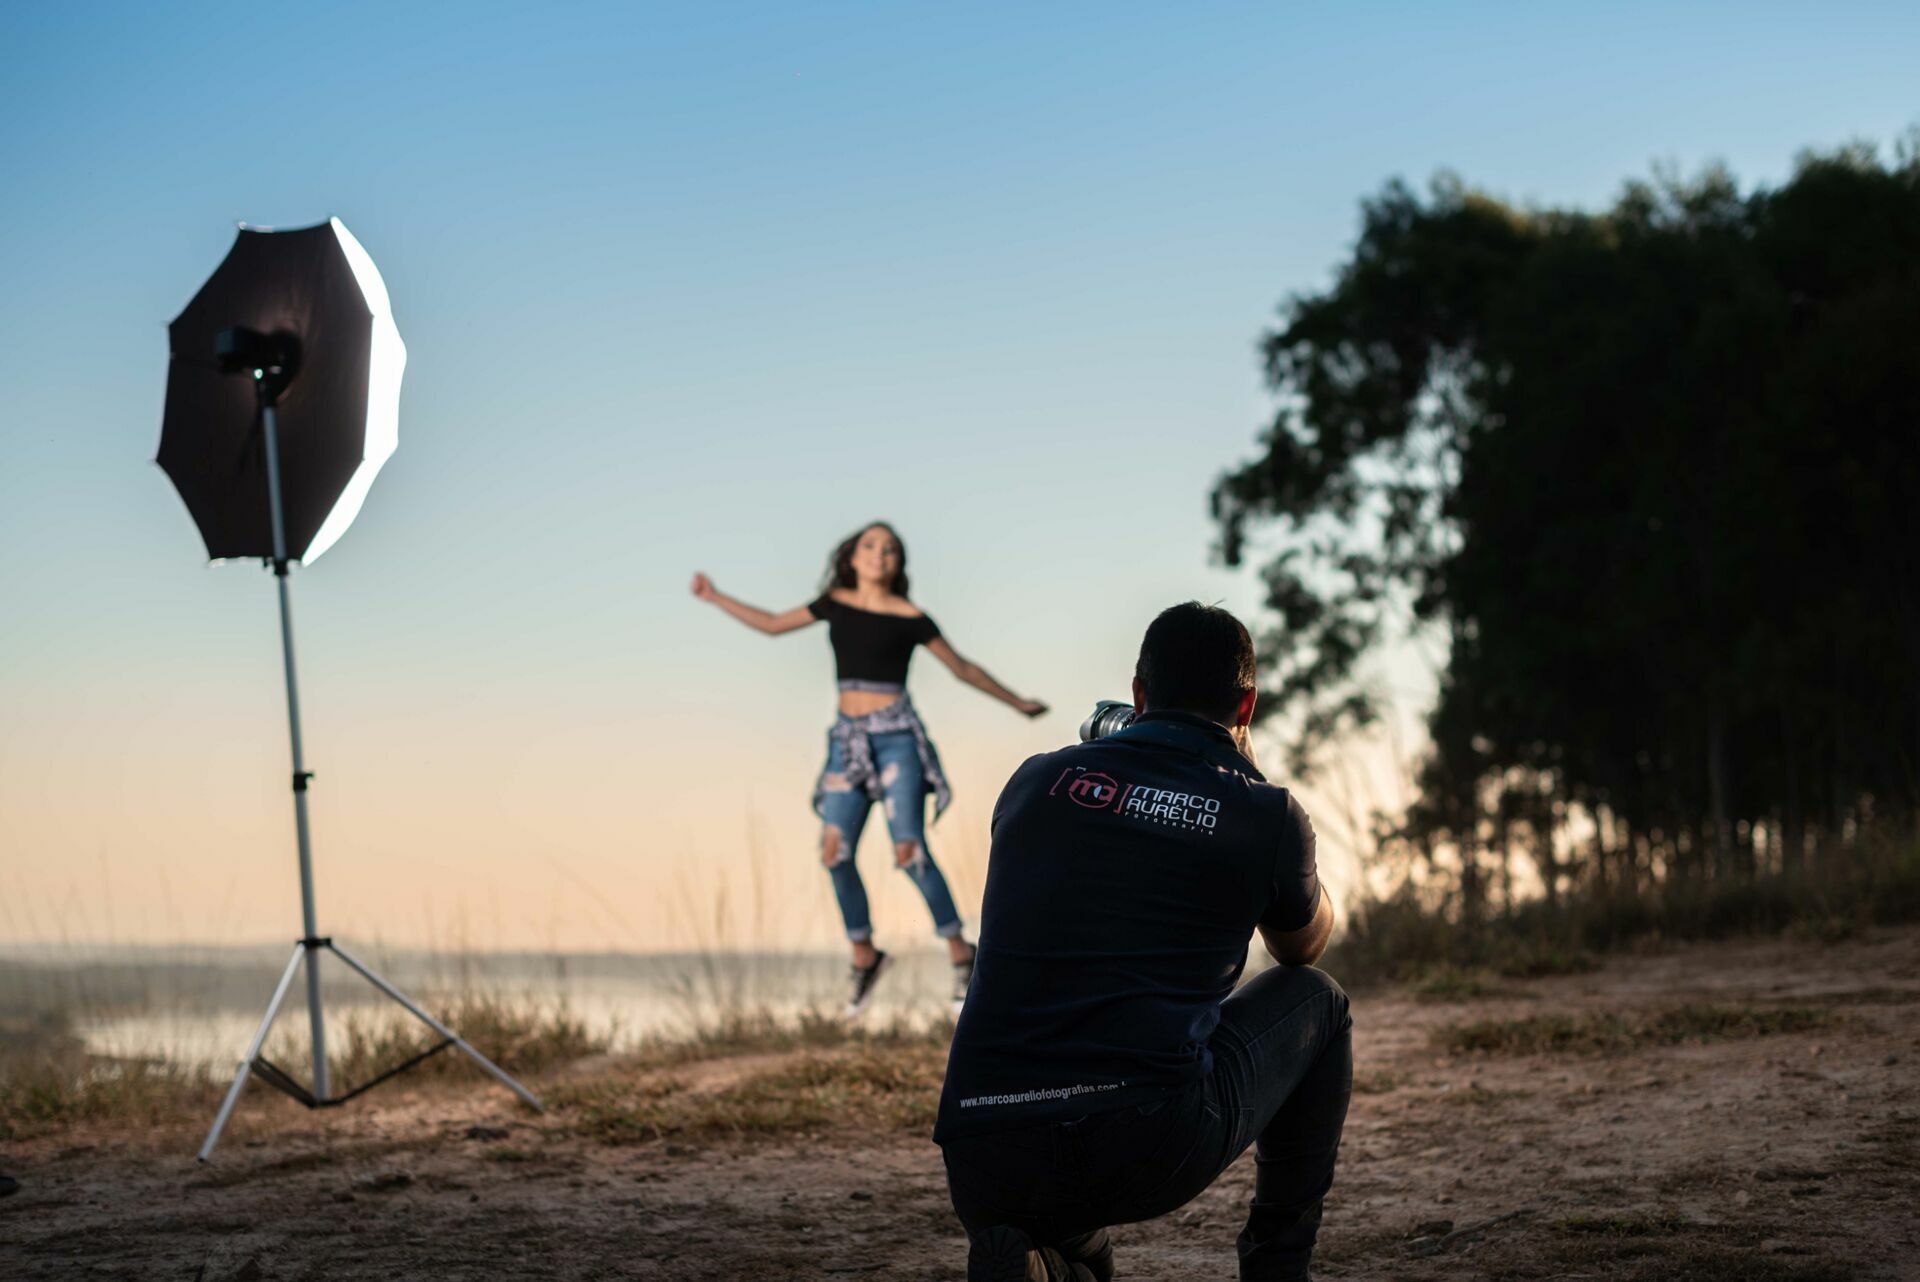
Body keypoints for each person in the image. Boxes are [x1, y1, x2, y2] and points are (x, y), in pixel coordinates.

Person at [935, 602, 1347, 1282]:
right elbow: (1303, 948)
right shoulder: (1261, 811)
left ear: (1137, 693)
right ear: (1247, 703)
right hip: (1144, 1139)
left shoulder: (1036, 779)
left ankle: (1046, 1266)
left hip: (982, 1151)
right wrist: (1256, 789)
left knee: (1069, 1236)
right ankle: (1279, 1269)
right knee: (1320, 1001)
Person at [691, 521, 1047, 1017]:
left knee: (909, 851)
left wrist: (1016, 702)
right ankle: (865, 955)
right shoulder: (834, 602)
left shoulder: (910, 616)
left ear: (898, 564)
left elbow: (961, 668)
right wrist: (715, 597)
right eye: (871, 546)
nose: (880, 554)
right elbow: (773, 624)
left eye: (891, 549)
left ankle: (960, 952)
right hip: (847, 741)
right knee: (834, 851)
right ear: (853, 557)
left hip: (897, 738)